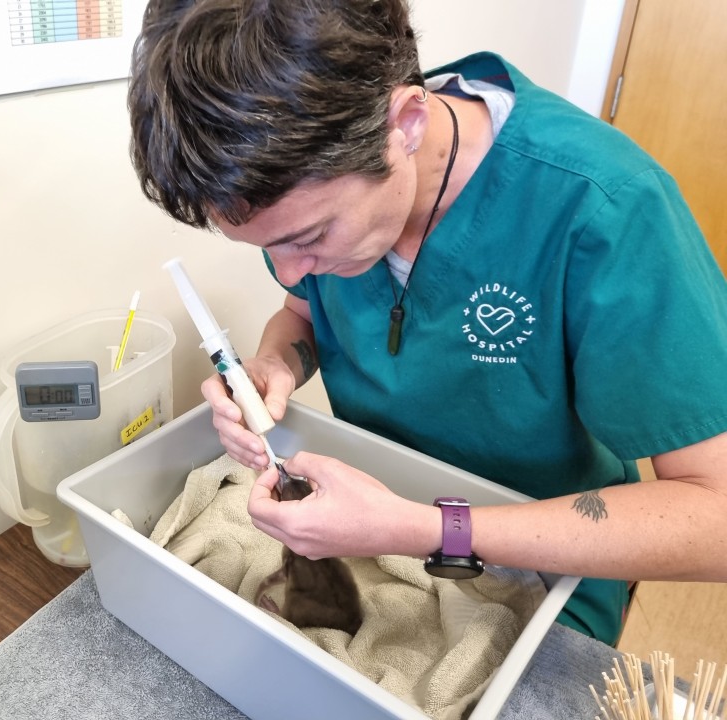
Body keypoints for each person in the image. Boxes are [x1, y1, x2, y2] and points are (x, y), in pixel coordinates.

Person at [127, 0, 727, 646]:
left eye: (312, 236)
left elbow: (714, 517)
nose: (292, 270)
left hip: (547, 571)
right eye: (265, 249)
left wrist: (424, 528)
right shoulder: (323, 175)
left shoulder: (607, 211)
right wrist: (277, 363)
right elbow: (301, 311)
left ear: (406, 124)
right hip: (364, 530)